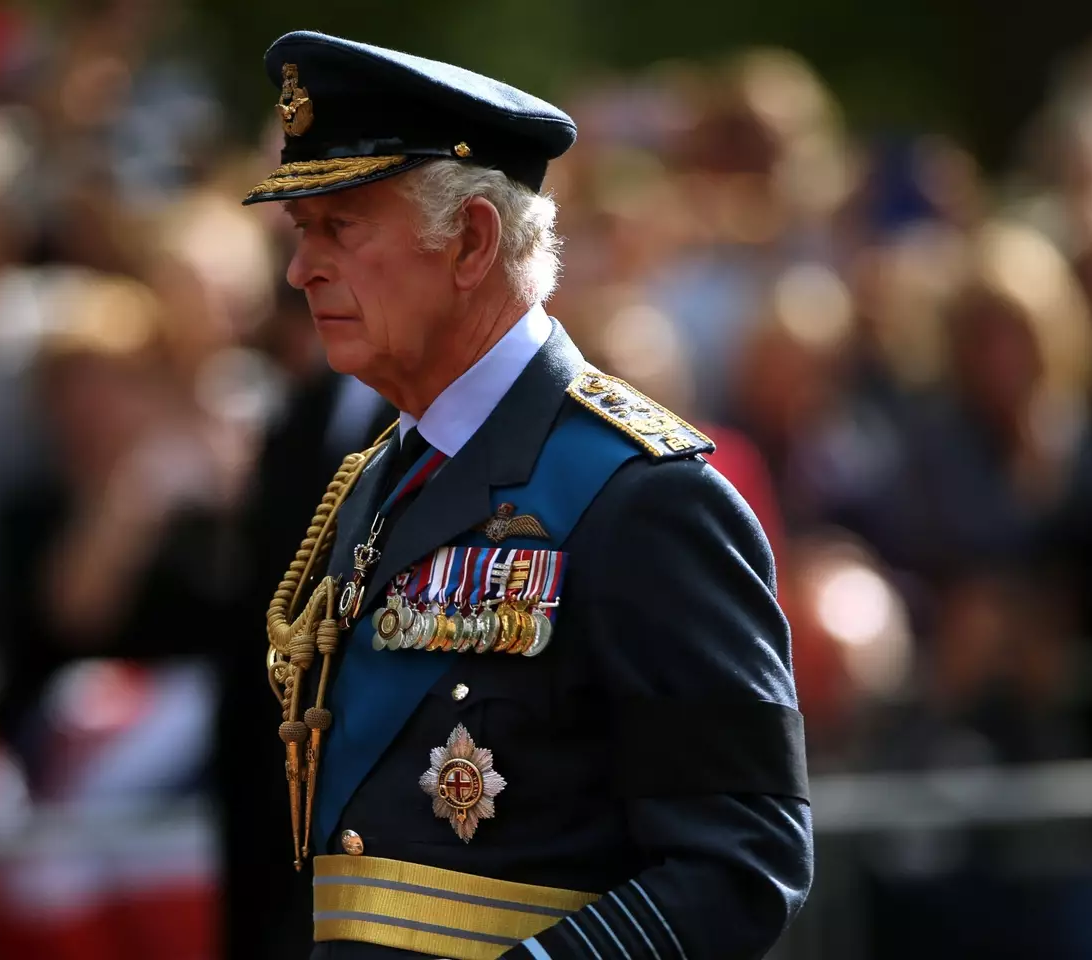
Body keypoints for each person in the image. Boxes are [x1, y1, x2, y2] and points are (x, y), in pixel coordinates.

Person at [247, 32, 812, 960]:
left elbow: (742, 863)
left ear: (471, 240)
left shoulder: (644, 496)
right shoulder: (371, 481)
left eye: (339, 228)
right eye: (301, 234)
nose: (299, 271)